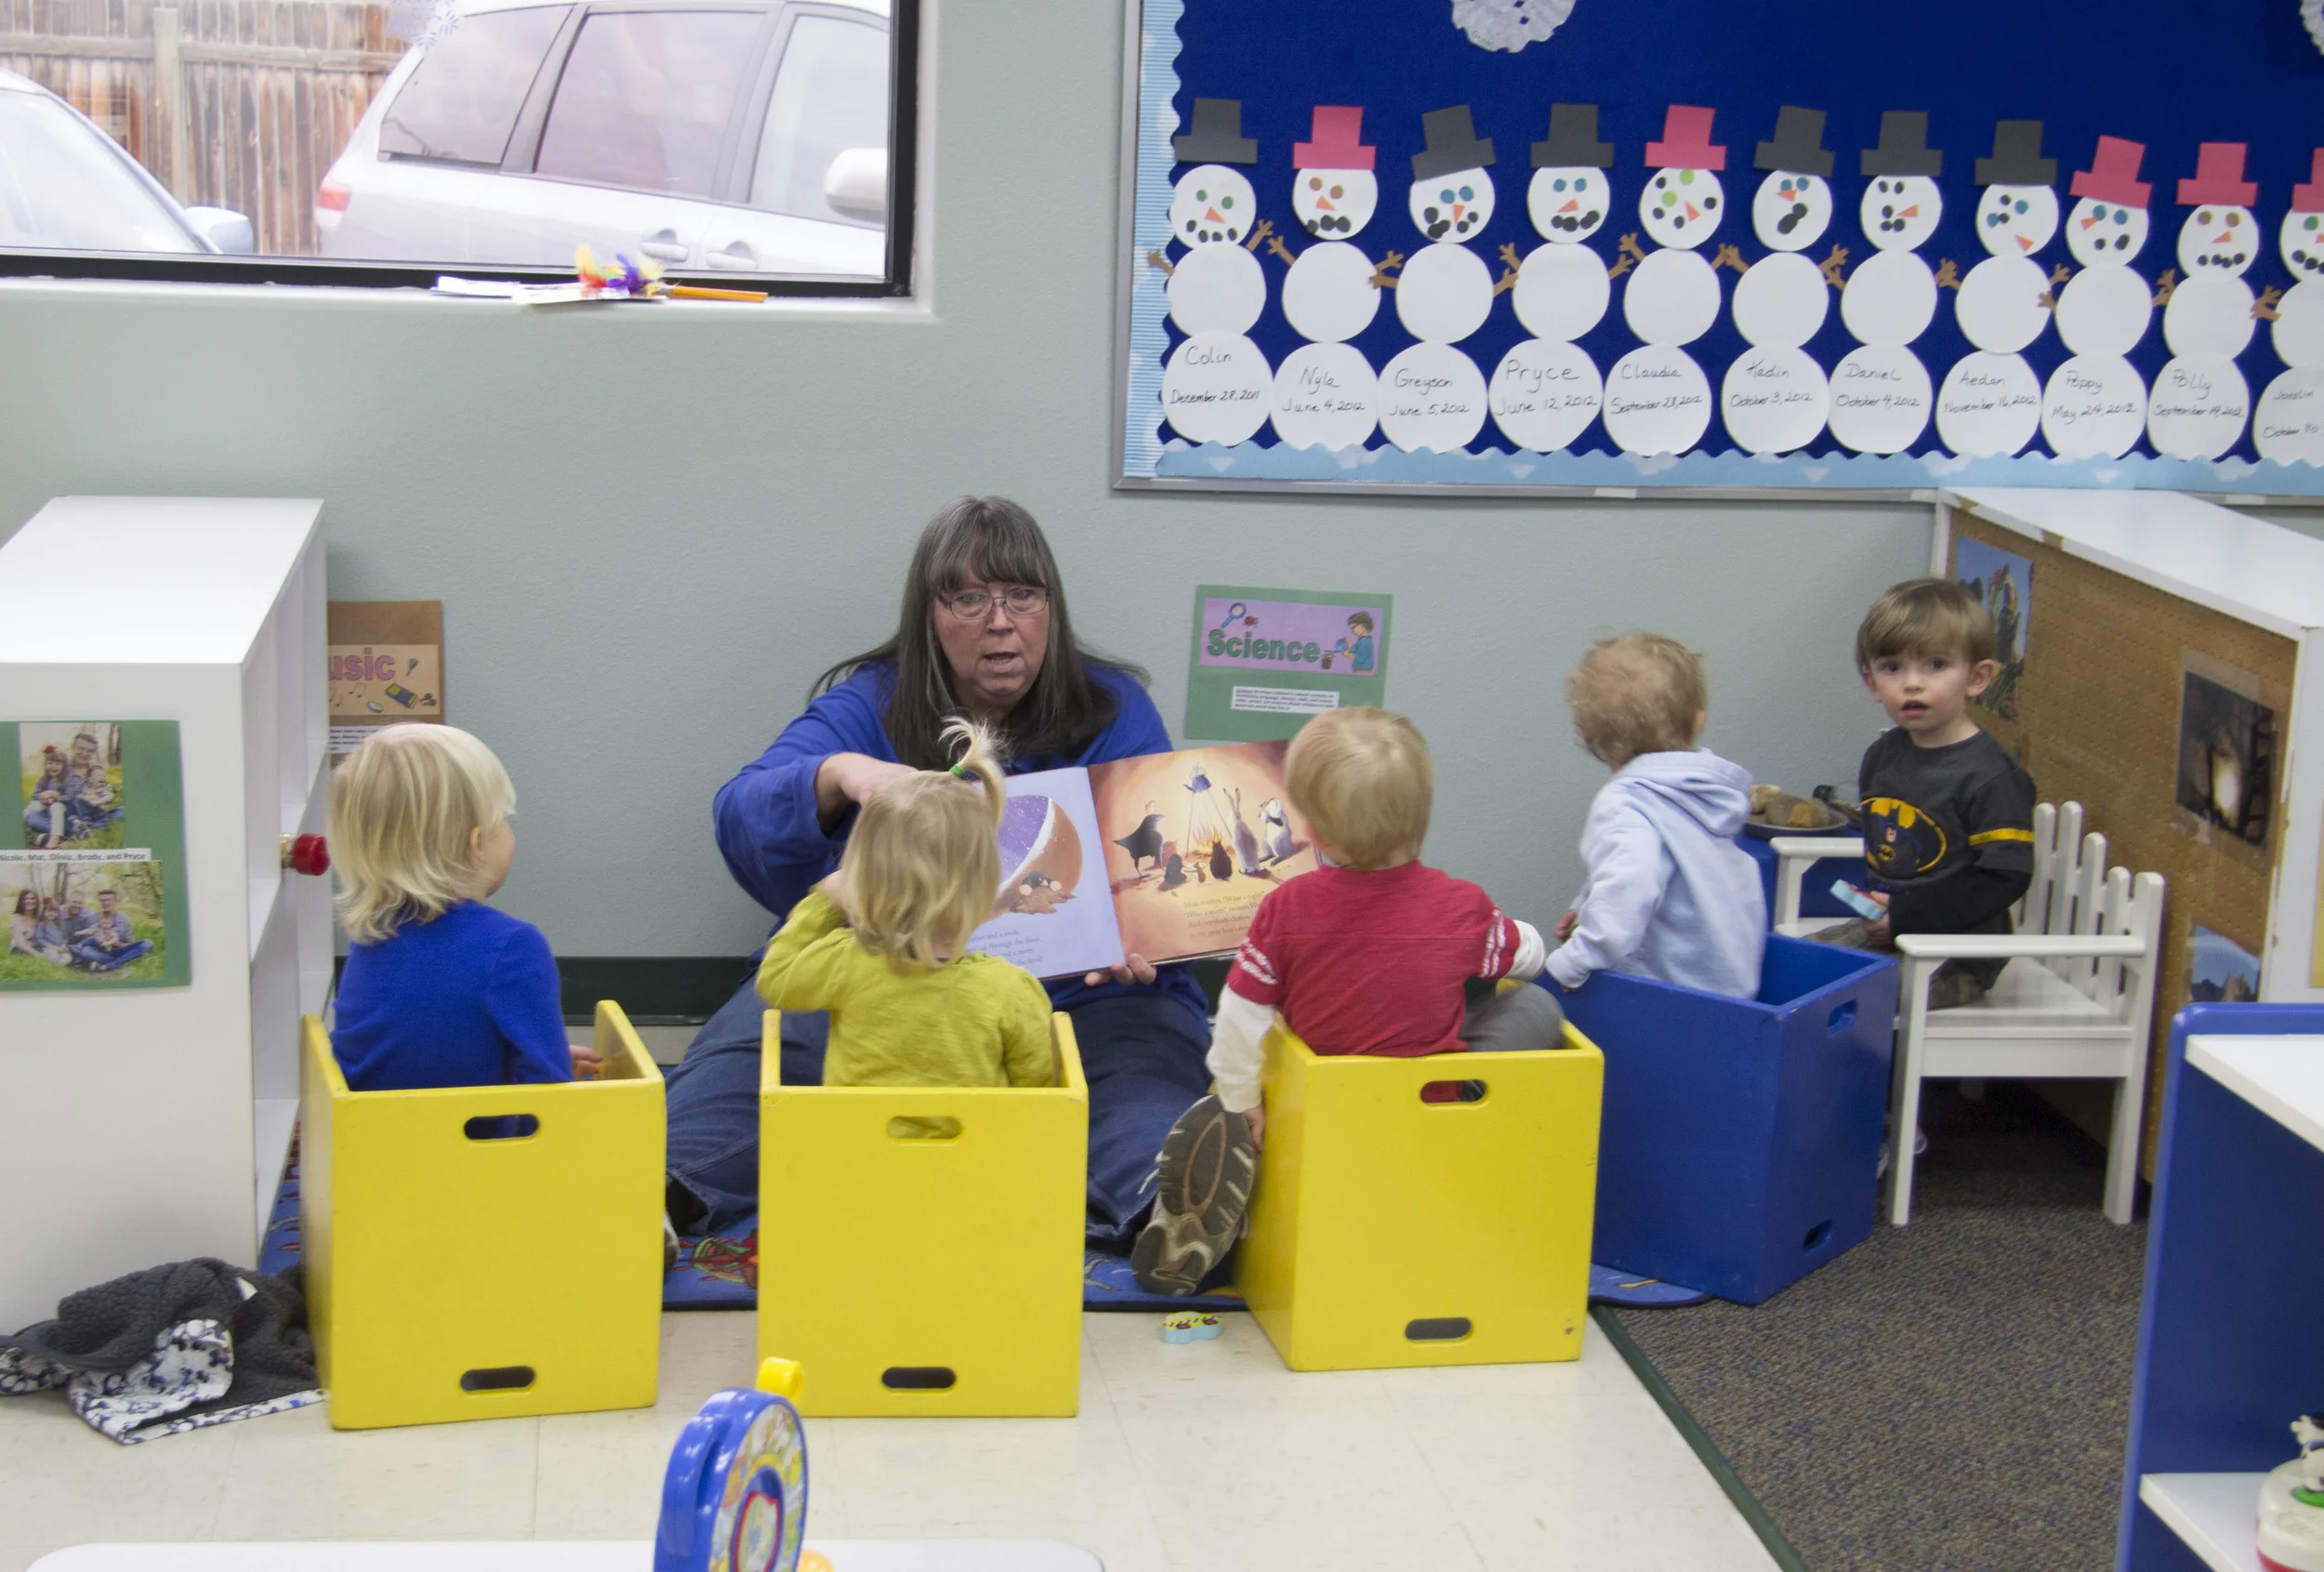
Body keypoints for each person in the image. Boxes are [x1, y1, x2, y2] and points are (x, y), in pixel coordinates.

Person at [667, 495, 1213, 1252]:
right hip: (882, 976)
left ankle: (1173, 1212)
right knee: (756, 1056)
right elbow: (740, 812)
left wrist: (1142, 934)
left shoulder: (1113, 706)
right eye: (970, 599)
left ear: (1051, 606)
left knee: (1139, 1074)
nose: (1002, 621)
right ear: (930, 613)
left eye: (1023, 595)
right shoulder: (872, 701)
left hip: (1080, 993)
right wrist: (838, 772)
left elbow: (1157, 872)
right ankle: (652, 1196)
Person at [1135, 707, 1564, 1295]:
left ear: (1318, 833)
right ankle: (1469, 1098)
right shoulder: (1461, 907)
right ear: (1422, 815)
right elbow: (1531, 957)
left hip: (1320, 1112)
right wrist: (1512, 939)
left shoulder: (1286, 908)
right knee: (1534, 1007)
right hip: (1425, 1112)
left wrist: (1241, 1099)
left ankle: (1238, 1181)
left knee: (1270, 1029)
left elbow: (1238, 1012)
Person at [757, 717, 1054, 1091]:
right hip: (971, 1134)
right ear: (984, 886)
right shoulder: (1011, 991)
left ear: (859, 876)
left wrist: (824, 902)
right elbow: (1038, 1088)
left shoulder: (844, 962)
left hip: (855, 1132)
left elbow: (775, 978)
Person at [327, 723, 596, 1091]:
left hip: (375, 1126)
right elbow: (549, 1095)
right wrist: (553, 1061)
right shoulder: (514, 947)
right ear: (478, 843)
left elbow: (423, 1050)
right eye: (503, 820)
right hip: (473, 1130)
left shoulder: (370, 935)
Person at [1813, 578, 2036, 1010]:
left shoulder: (1992, 777)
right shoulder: (1883, 755)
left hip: (1957, 953)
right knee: (1800, 965)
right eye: (1892, 667)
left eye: (1936, 665)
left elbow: (2004, 878)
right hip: (1889, 930)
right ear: (1871, 682)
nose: (1912, 683)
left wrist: (1908, 917)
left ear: (1978, 678)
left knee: (1852, 998)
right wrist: (1882, 912)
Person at [1546, 633, 1766, 998]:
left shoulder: (1626, 804)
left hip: (1665, 997)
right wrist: (1585, 904)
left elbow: (1627, 894)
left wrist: (1572, 962)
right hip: (1733, 991)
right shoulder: (1705, 794)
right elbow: (1670, 872)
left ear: (1592, 738)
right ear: (1697, 722)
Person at [73, 888, 152, 971]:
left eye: (109, 900)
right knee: (85, 952)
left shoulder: (124, 919)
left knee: (147, 943)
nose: (106, 903)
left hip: (119, 951)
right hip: (100, 951)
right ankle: (123, 961)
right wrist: (96, 938)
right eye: (102, 900)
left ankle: (110, 964)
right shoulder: (92, 918)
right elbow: (86, 940)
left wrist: (116, 943)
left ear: (115, 901)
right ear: (99, 902)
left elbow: (128, 944)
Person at [23, 746, 69, 848]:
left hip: (62, 808)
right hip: (45, 805)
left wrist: (56, 797)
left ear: (63, 766)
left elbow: (70, 797)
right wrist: (43, 796)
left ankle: (55, 838)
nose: (53, 766)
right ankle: (19, 827)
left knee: (56, 806)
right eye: (50, 763)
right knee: (33, 805)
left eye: (57, 764)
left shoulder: (66, 780)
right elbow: (35, 795)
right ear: (46, 765)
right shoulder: (42, 780)